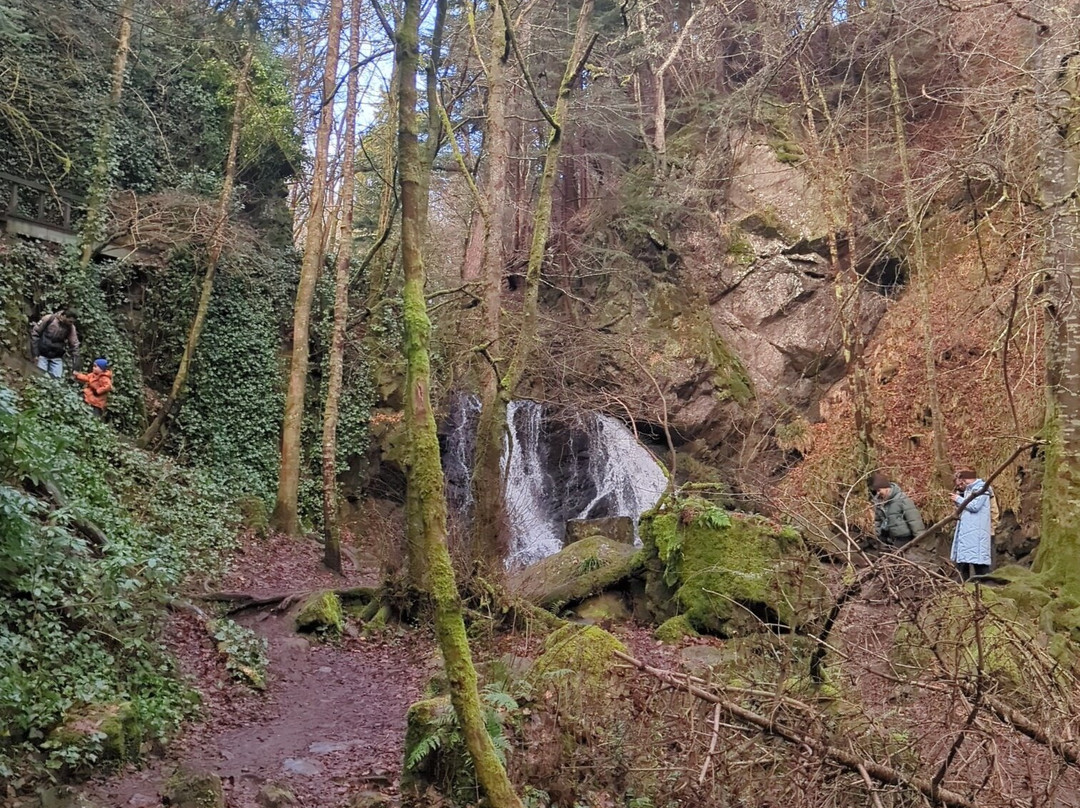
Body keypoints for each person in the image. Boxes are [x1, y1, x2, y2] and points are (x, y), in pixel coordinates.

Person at [951, 469, 992, 581]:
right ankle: (964, 588)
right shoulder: (969, 491)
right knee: (963, 563)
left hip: (976, 533)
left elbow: (975, 506)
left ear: (964, 480)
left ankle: (985, 588)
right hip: (968, 533)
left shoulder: (982, 489)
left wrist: (958, 499)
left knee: (980, 565)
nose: (959, 486)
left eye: (960, 484)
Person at [869, 472, 925, 546]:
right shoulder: (879, 502)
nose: (878, 493)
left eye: (879, 490)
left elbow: (914, 520)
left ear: (886, 488)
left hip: (903, 538)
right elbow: (878, 520)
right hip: (888, 537)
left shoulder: (902, 499)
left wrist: (920, 539)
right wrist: (877, 535)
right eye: (876, 491)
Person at [30, 309, 80, 378]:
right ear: (64, 316)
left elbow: (75, 345)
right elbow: (35, 333)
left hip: (56, 356)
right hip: (42, 354)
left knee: (57, 380)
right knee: (40, 377)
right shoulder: (49, 319)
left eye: (73, 322)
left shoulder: (71, 328)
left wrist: (76, 367)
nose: (71, 323)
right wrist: (35, 354)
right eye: (70, 321)